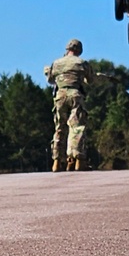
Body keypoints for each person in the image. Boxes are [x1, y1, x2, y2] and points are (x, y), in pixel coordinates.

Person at [44, 38, 96, 172]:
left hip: (60, 96)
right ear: (79, 50)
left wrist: (47, 72)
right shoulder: (82, 63)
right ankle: (79, 161)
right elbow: (90, 80)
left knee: (59, 128)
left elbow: (50, 80)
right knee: (77, 127)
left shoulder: (56, 63)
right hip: (75, 95)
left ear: (67, 49)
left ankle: (56, 162)